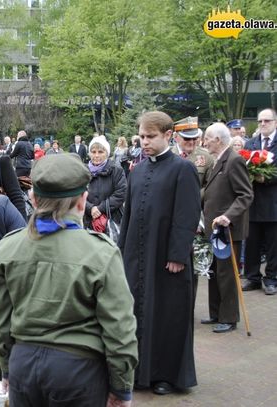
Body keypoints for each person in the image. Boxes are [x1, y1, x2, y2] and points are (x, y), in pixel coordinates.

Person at [0, 153, 138, 407]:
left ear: (33, 199)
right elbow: (119, 327)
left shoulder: (8, 246)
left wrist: (7, 368)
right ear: (82, 201)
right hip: (78, 370)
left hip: (23, 365)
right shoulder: (100, 251)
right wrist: (121, 385)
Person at [118, 111, 201, 395]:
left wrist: (178, 255)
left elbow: (187, 214)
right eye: (141, 136)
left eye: (150, 137)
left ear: (168, 135)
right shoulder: (137, 169)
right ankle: (140, 372)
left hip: (166, 258)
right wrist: (121, 253)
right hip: (137, 255)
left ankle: (166, 375)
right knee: (136, 312)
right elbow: (128, 215)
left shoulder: (183, 168)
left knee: (167, 315)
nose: (144, 142)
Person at [202, 123, 253, 333]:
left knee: (227, 275)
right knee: (214, 272)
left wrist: (228, 216)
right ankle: (216, 313)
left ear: (218, 140)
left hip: (228, 230)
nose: (204, 142)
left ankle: (229, 317)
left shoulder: (234, 160)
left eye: (207, 138)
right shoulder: (217, 160)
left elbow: (246, 194)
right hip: (215, 229)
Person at [242, 108, 277, 295]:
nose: (263, 124)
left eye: (267, 121)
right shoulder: (250, 144)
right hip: (253, 202)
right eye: (260, 121)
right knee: (252, 243)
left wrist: (267, 178)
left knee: (273, 245)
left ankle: (271, 278)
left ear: (275, 122)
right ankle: (252, 277)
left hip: (273, 203)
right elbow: (242, 167)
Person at [84, 136, 127, 230]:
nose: (96, 155)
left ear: (107, 153)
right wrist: (90, 208)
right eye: (93, 152)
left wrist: (100, 208)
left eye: (100, 152)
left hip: (112, 219)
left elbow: (121, 193)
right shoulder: (83, 170)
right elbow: (77, 194)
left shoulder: (116, 170)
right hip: (87, 220)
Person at [171, 116, 214, 188]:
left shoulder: (207, 157)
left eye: (194, 138)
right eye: (187, 138)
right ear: (175, 137)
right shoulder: (167, 156)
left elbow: (209, 186)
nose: (191, 142)